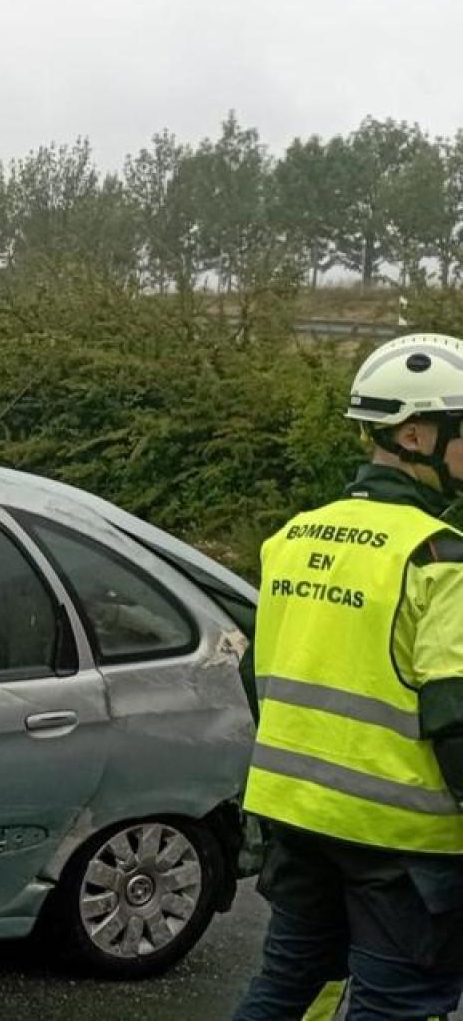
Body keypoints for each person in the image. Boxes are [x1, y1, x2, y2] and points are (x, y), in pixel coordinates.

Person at [233, 333, 463, 1021]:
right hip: (405, 846)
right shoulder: (437, 559)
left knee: (288, 986)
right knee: (398, 1004)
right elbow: (455, 719)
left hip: (295, 820)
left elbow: (259, 673)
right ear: (416, 435)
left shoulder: (296, 536)